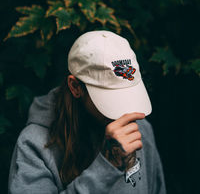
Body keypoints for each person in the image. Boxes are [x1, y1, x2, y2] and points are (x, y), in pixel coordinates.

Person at [8, 30, 167, 193]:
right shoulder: (34, 142)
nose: (123, 112)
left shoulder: (140, 129)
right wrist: (106, 167)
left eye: (127, 95)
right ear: (75, 87)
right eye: (113, 99)